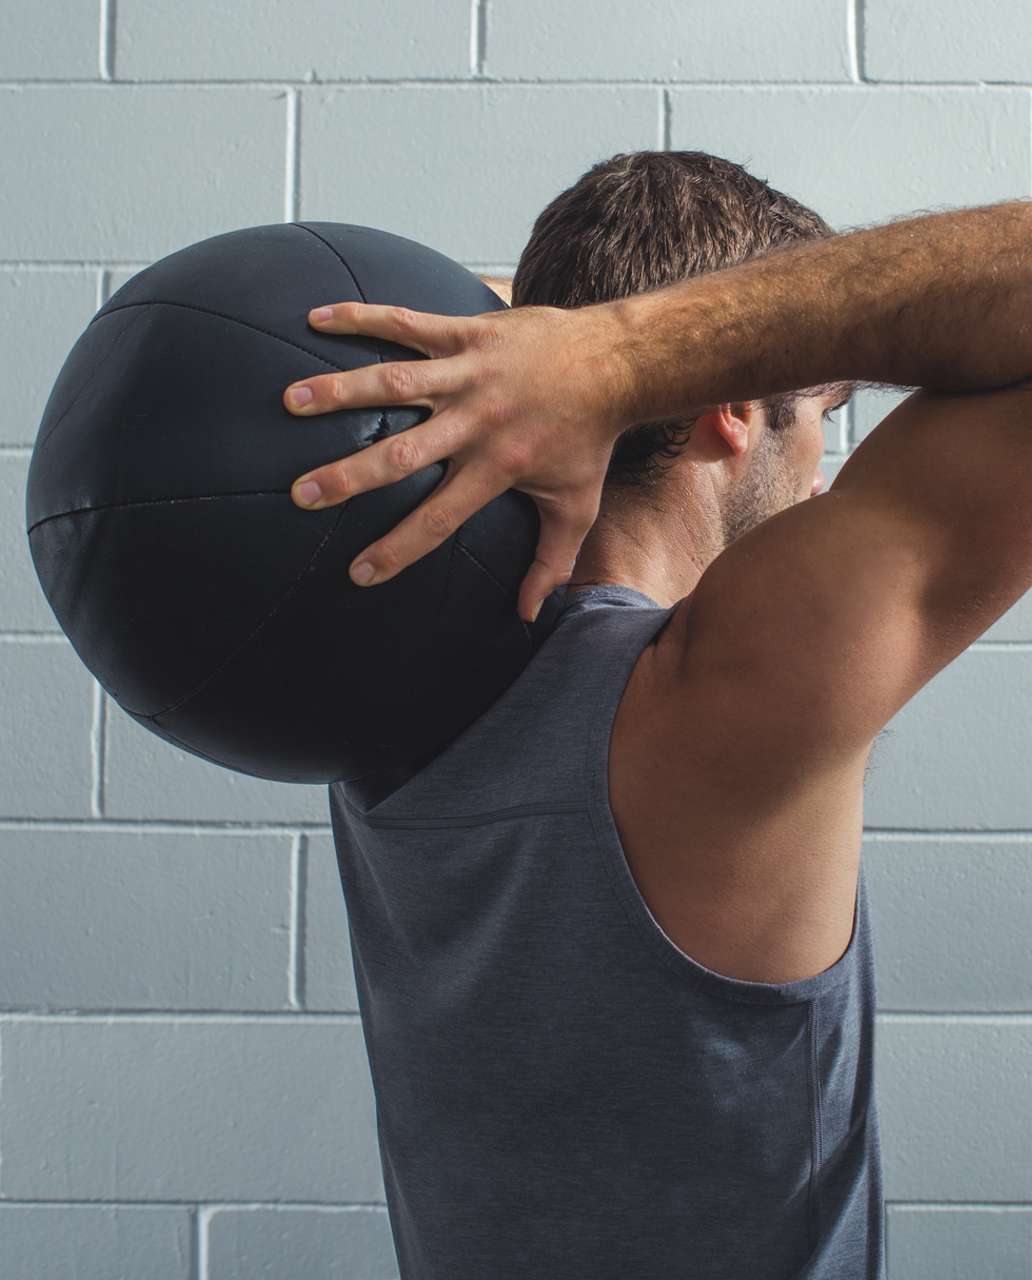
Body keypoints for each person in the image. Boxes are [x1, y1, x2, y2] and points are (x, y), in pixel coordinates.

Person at [282, 153, 1032, 1279]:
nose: (825, 465)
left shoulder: (386, 671)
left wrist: (572, 335)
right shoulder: (738, 685)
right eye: (822, 410)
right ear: (736, 405)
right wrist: (629, 351)